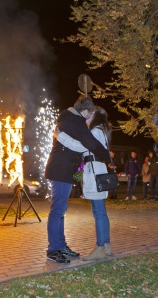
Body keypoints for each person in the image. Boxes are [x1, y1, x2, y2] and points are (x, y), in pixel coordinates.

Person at [44, 96, 111, 264]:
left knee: (96, 212)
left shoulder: (94, 130)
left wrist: (60, 137)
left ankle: (99, 247)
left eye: (92, 115)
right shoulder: (80, 124)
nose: (87, 119)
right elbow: (84, 145)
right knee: (59, 211)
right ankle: (55, 248)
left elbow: (83, 146)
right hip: (64, 172)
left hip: (92, 173)